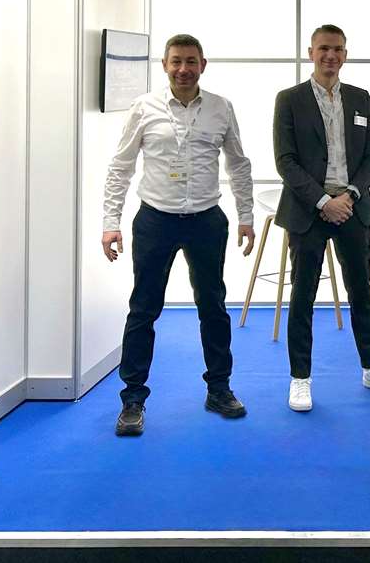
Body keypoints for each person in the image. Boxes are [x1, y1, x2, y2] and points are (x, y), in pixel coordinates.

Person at [102, 34, 256, 437]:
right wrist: (110, 222)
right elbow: (121, 167)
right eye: (176, 61)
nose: (183, 69)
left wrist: (245, 215)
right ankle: (132, 400)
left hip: (206, 219)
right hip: (156, 219)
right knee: (143, 309)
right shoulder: (144, 107)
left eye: (191, 61)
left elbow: (238, 164)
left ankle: (219, 388)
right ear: (165, 65)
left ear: (203, 65)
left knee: (213, 307)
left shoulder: (221, 108)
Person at [273, 24, 370, 413]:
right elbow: (285, 161)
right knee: (303, 295)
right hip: (308, 210)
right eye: (324, 49)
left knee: (361, 292)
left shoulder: (360, 98)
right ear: (310, 52)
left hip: (351, 207)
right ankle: (300, 377)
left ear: (345, 55)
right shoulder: (289, 99)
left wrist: (350, 195)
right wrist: (322, 201)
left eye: (338, 49)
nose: (331, 56)